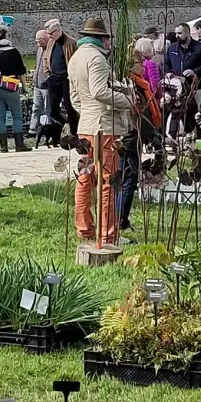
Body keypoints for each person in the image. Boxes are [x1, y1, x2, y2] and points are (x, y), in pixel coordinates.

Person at [68, 17, 131, 245]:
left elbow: (75, 98)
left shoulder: (76, 57)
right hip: (103, 127)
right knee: (108, 181)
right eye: (107, 39)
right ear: (102, 39)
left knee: (85, 178)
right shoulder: (96, 58)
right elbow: (99, 92)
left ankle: (84, 230)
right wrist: (127, 101)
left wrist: (87, 112)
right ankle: (108, 235)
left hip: (86, 126)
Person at [118, 51, 161, 232]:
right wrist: (154, 135)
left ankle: (120, 219)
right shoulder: (130, 86)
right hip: (129, 138)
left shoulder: (139, 84)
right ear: (129, 65)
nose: (142, 66)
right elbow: (139, 116)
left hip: (134, 137)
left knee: (127, 180)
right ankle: (121, 221)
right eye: (138, 63)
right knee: (128, 180)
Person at [0, 26, 30, 152]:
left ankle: (3, 146)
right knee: (17, 116)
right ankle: (19, 144)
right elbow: (21, 71)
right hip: (11, 87)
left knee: (0, 117)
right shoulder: (14, 52)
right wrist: (24, 87)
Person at [43, 18, 79, 143]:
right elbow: (46, 58)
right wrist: (47, 74)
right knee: (53, 110)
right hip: (53, 79)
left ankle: (74, 134)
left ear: (58, 31)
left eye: (51, 33)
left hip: (67, 79)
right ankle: (64, 126)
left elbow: (76, 60)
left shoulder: (71, 43)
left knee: (70, 108)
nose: (49, 36)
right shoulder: (51, 42)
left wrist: (72, 76)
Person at [28, 29, 50, 139]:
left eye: (39, 40)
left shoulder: (50, 49)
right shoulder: (40, 50)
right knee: (35, 108)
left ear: (45, 39)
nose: (37, 43)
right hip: (37, 84)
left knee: (48, 109)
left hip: (46, 86)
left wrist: (47, 79)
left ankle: (49, 129)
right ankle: (32, 130)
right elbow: (38, 65)